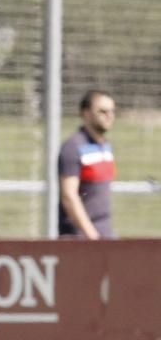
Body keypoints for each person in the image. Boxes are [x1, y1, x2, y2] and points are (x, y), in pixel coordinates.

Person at [58, 90, 117, 239]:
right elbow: (69, 195)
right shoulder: (73, 146)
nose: (109, 116)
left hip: (105, 232)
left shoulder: (105, 146)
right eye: (102, 111)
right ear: (86, 113)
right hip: (80, 237)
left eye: (112, 111)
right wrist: (90, 234)